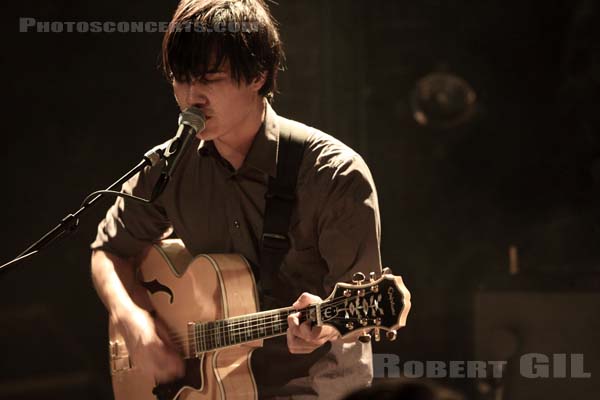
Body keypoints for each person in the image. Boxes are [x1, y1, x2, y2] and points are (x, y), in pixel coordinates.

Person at [90, 0, 382, 398]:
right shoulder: (170, 167)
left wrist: (323, 325)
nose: (192, 97)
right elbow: (107, 251)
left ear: (259, 75)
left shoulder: (333, 174)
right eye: (181, 79)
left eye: (210, 78)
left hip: (312, 385)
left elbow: (358, 314)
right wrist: (135, 320)